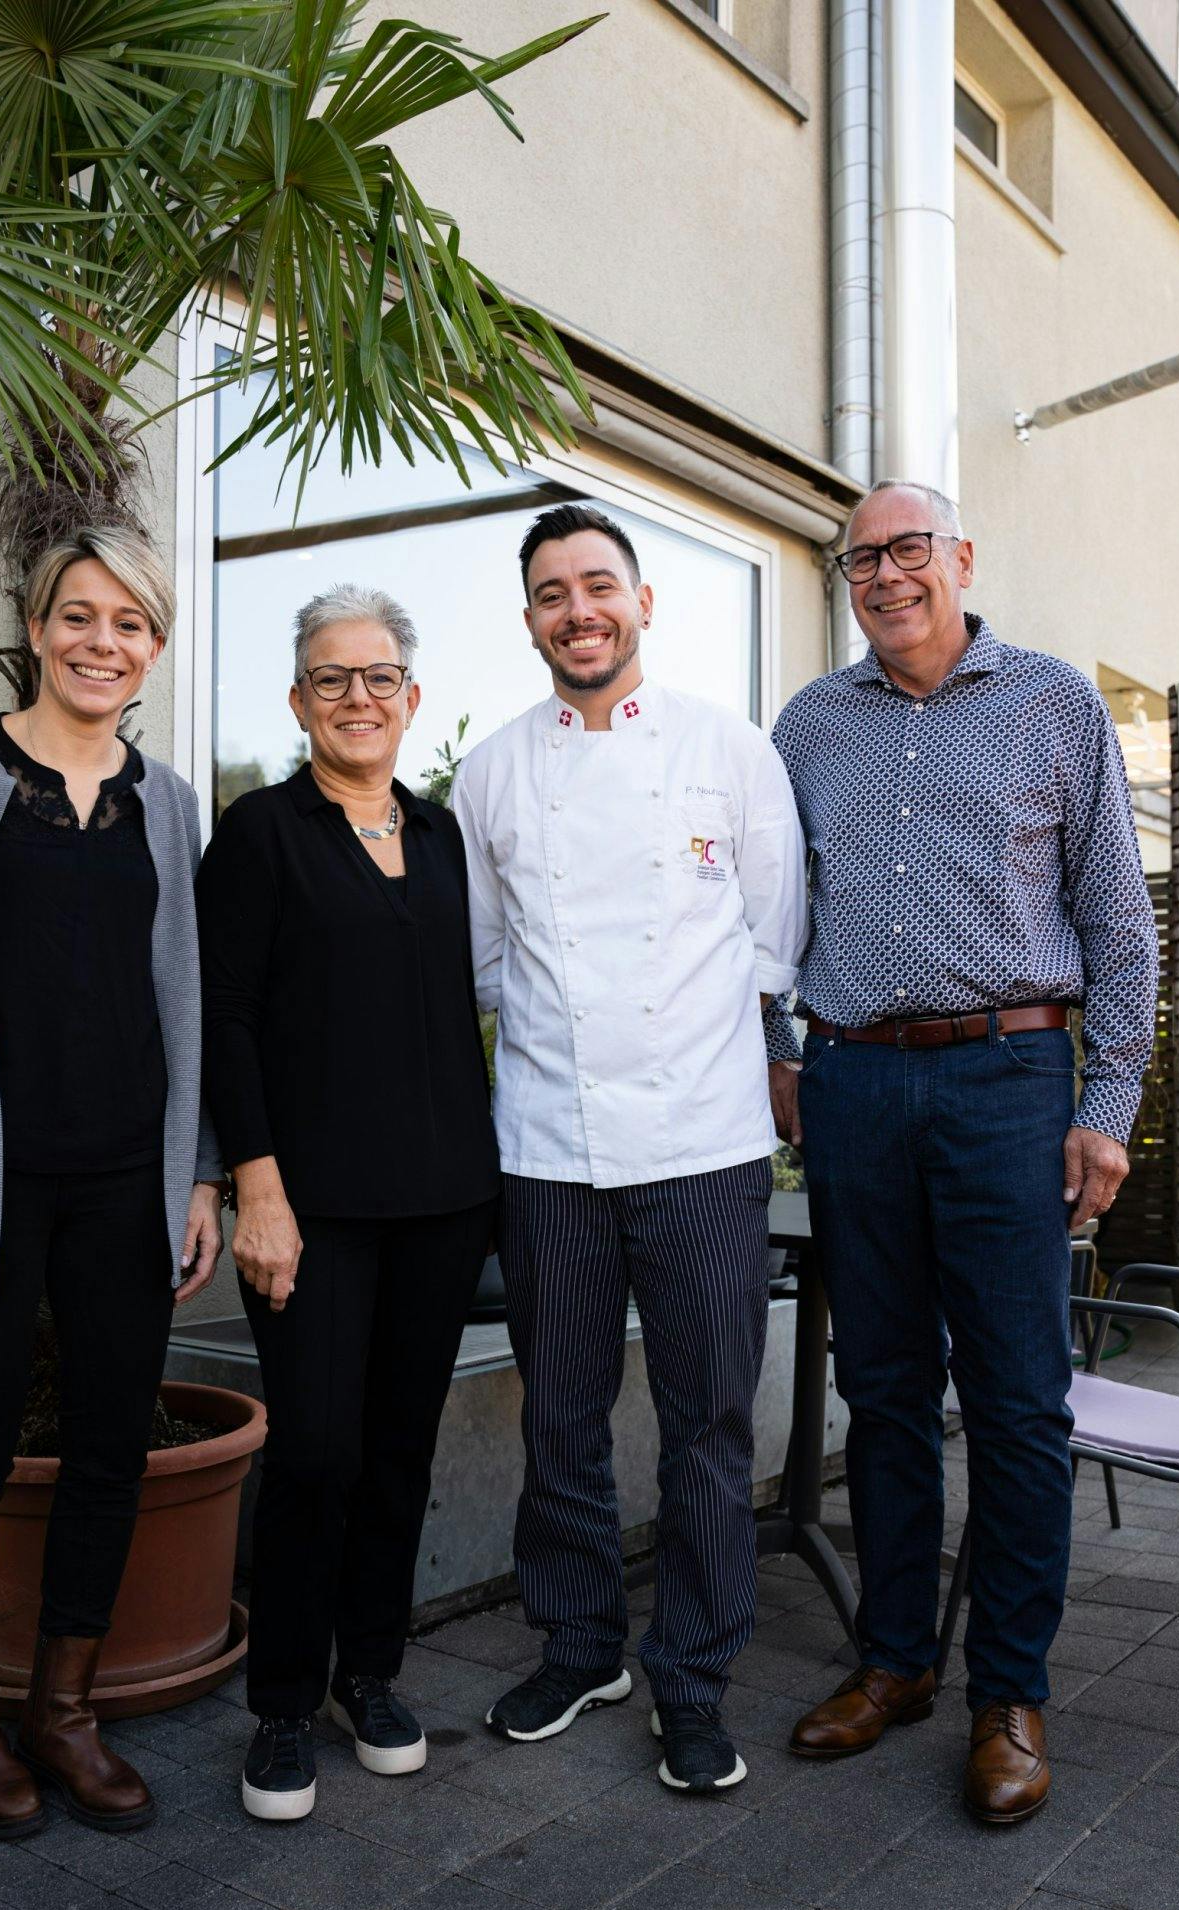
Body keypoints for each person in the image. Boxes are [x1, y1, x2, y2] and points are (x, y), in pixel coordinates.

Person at [769, 480, 1158, 1824]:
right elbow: (773, 905)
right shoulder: (807, 725)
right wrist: (784, 1058)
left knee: (1010, 1402)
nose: (883, 575)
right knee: (876, 1391)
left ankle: (1007, 1688)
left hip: (1007, 1078)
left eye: (905, 549)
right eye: (859, 557)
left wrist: (1102, 1113)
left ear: (958, 559)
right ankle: (891, 1663)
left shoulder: (1051, 702)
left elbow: (1117, 922)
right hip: (856, 1084)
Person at [0, 526, 224, 1841]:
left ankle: (63, 1705)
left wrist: (195, 1174)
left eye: (129, 624)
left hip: (127, 1181)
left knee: (111, 1448)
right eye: (78, 615)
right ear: (37, 624)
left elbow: (183, 993)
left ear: (154, 649)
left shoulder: (170, 802)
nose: (100, 642)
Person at [452, 503, 807, 1795]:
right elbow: (485, 961)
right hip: (547, 1145)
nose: (576, 611)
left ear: (643, 602)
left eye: (597, 585)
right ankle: (580, 1644)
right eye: (551, 594)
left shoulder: (730, 752)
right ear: (530, 619)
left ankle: (693, 1679)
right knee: (560, 1416)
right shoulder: (488, 771)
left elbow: (771, 941)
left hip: (704, 1145)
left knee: (706, 1422)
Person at [197, 585, 500, 1823]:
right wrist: (254, 1186)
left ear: (411, 698)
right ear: (298, 701)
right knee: (315, 1448)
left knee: (397, 1449)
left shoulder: (438, 838)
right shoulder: (260, 833)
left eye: (379, 678)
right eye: (332, 679)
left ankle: (366, 1675)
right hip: (309, 1207)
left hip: (441, 1202)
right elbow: (225, 1020)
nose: (358, 698)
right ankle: (280, 1701)